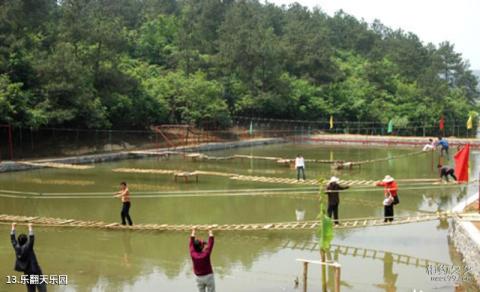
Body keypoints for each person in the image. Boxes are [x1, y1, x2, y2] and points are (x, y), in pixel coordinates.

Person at [10, 223, 47, 292]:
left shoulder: (16, 247)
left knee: (30, 289)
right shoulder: (28, 247)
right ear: (26, 241)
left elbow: (12, 239)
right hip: (35, 270)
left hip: (27, 271)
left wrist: (13, 227)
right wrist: (30, 227)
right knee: (42, 288)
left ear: (18, 241)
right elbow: (31, 237)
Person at [190, 228, 215, 292]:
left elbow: (191, 244)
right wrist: (210, 231)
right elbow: (211, 243)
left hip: (199, 278)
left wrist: (193, 231)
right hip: (208, 277)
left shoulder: (193, 254)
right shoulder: (206, 254)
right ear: (201, 247)